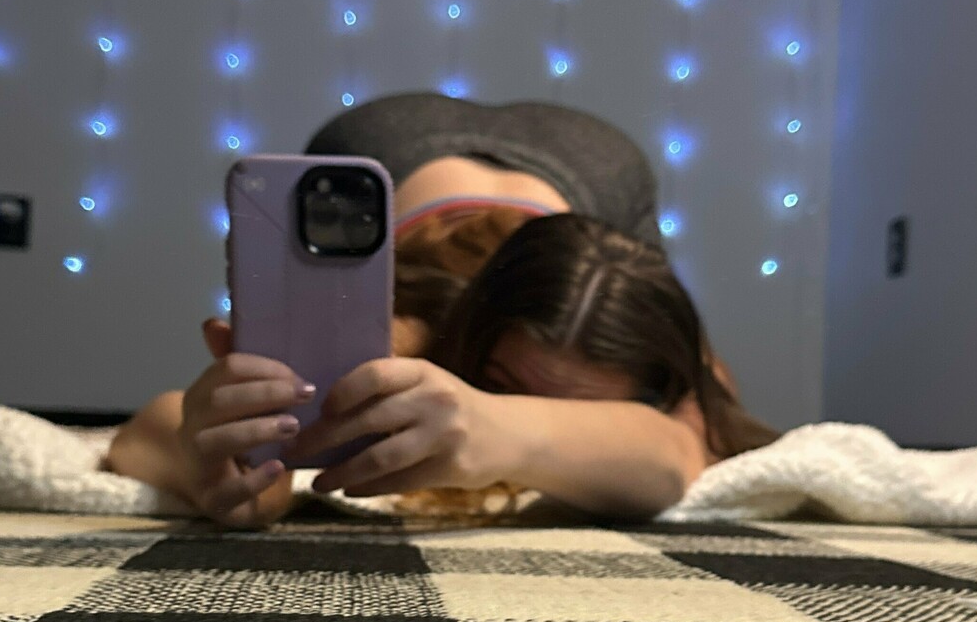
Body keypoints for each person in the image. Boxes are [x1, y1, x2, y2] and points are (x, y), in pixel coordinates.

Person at [103, 93, 779, 525]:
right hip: (379, 140)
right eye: (503, 386)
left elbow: (682, 448)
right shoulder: (413, 332)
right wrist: (211, 456)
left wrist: (498, 426)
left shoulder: (612, 273)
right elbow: (142, 435)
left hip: (601, 172)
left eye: (591, 412)